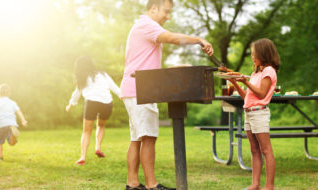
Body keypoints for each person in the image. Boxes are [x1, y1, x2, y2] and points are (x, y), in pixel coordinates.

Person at [120, 0, 214, 189]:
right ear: (153, 8)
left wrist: (175, 68)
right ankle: (152, 185)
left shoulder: (141, 26)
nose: (168, 17)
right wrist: (199, 40)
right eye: (166, 11)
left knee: (137, 138)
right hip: (140, 90)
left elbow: (148, 65)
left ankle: (132, 184)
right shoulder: (147, 24)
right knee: (148, 137)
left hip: (136, 88)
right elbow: (172, 38)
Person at [228, 38, 279, 190]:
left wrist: (246, 82)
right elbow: (247, 98)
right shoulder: (256, 72)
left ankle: (269, 186)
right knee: (254, 149)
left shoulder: (269, 71)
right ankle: (255, 184)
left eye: (254, 54)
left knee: (266, 150)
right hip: (249, 112)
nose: (252, 56)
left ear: (263, 54)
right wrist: (236, 83)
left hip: (259, 114)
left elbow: (262, 95)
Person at [66, 56, 120, 166]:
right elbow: (115, 88)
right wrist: (125, 97)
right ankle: (98, 147)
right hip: (107, 103)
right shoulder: (102, 74)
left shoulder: (82, 77)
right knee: (101, 126)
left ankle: (83, 157)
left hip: (91, 103)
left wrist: (70, 105)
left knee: (86, 131)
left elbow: (77, 93)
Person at [0, 84, 28, 161]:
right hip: (12, 124)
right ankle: (13, 136)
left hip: (1, 124)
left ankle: (0, 157)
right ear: (9, 94)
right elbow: (19, 112)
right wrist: (23, 120)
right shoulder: (12, 102)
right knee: (12, 143)